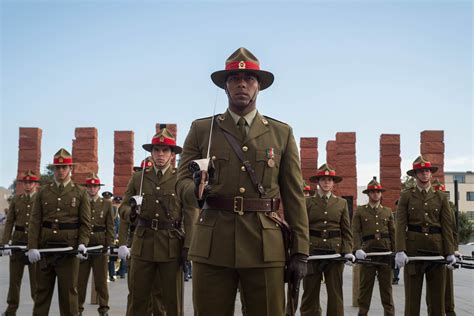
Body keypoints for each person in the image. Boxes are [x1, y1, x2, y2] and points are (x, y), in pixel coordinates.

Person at [176, 47, 309, 316]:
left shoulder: (281, 133)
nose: (242, 84)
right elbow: (179, 183)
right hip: (213, 244)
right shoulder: (202, 129)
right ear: (225, 86)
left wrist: (300, 251)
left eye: (249, 78)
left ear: (259, 86)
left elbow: (294, 195)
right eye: (235, 78)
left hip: (265, 246)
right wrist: (196, 191)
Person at [120, 128, 192, 316]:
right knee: (137, 299)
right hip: (142, 245)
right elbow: (123, 207)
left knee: (172, 302)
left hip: (171, 246)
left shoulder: (181, 179)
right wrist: (132, 213)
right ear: (151, 153)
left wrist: (188, 246)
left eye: (165, 150)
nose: (160, 154)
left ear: (172, 154)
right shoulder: (139, 177)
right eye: (157, 150)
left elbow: (190, 213)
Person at [26, 148, 91, 316]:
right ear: (53, 169)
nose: (61, 171)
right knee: (41, 295)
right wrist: (32, 246)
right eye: (57, 168)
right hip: (45, 250)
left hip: (69, 251)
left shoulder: (80, 192)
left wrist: (83, 243)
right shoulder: (43, 192)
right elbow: (35, 221)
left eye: (64, 167)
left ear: (71, 169)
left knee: (69, 296)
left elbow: (85, 224)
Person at [395, 155, 455, 316]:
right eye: (420, 171)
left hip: (436, 249)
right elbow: (400, 225)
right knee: (412, 301)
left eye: (427, 170)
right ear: (415, 175)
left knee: (437, 302)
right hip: (413, 250)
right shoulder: (406, 196)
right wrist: (400, 249)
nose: (424, 174)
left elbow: (447, 226)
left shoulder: (441, 197)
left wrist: (450, 251)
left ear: (431, 174)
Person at [300, 163, 354, 316]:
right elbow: (303, 228)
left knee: (335, 293)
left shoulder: (341, 203)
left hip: (334, 252)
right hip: (312, 251)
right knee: (310, 292)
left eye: (329, 180)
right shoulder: (307, 202)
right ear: (318, 182)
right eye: (323, 179)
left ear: (333, 183)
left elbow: (346, 229)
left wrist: (347, 251)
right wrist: (300, 250)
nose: (326, 182)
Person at [352, 178, 395, 316]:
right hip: (368, 253)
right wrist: (357, 248)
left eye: (378, 192)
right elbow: (355, 231)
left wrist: (396, 252)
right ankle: (362, 313)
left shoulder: (388, 211)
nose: (376, 194)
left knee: (386, 288)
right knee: (365, 288)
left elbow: (393, 232)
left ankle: (389, 314)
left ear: (381, 194)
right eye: (373, 192)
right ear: (368, 194)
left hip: (385, 253)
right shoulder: (360, 211)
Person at [1, 170, 40, 316]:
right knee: (14, 281)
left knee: (36, 281)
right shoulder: (17, 200)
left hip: (34, 244)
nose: (28, 185)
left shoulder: (40, 199)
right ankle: (11, 309)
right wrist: (5, 243)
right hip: (17, 242)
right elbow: (9, 222)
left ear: (36, 184)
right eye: (25, 182)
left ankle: (38, 309)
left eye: (31, 182)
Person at [77, 173, 114, 316]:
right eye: (89, 186)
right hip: (84, 247)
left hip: (100, 246)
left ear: (99, 188)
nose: (92, 189)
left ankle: (104, 309)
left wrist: (109, 245)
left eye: (95, 186)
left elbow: (110, 226)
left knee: (101, 282)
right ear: (86, 188)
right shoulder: (81, 202)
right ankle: (78, 309)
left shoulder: (106, 204)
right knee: (80, 281)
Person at [426, 179, 459, 316]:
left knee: (448, 290)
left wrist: (454, 250)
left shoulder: (448, 209)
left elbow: (453, 232)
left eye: (442, 191)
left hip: (447, 251)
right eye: (437, 191)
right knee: (433, 290)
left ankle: (449, 312)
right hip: (435, 249)